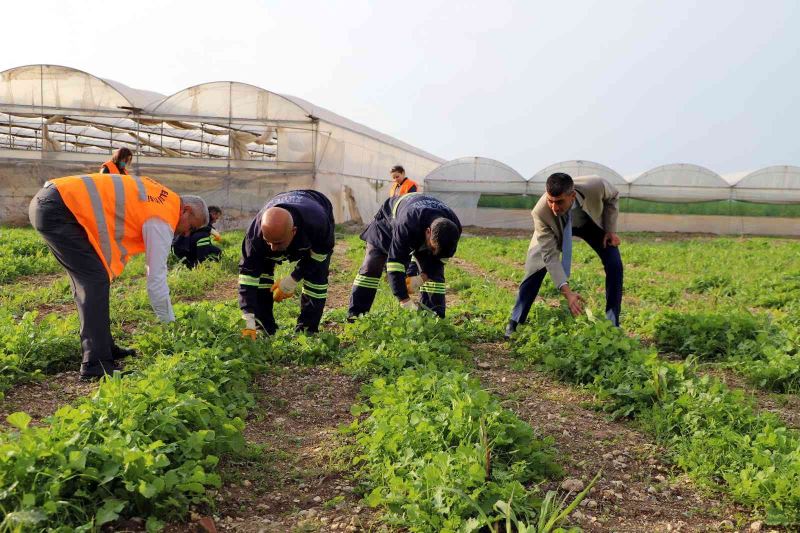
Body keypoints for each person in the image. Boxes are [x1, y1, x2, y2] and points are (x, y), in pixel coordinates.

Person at [28, 173, 209, 379]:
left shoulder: (162, 198)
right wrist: (170, 325)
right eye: (191, 227)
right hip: (59, 208)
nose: (186, 234)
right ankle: (95, 364)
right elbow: (156, 278)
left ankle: (104, 348)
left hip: (54, 201)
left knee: (94, 280)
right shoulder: (162, 215)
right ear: (186, 210)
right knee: (94, 281)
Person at [505, 172, 623, 339]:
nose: (554, 207)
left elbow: (613, 196)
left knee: (614, 264)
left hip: (589, 222)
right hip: (555, 228)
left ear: (572, 195)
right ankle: (515, 322)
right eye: (550, 201)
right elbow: (550, 257)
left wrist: (610, 230)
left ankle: (612, 322)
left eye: (559, 201)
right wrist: (568, 293)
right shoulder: (541, 212)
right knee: (535, 267)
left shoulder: (596, 185)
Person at [348, 193, 461, 319]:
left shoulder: (453, 226)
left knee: (436, 275)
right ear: (428, 232)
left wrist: (423, 277)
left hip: (421, 224)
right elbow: (395, 263)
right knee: (372, 265)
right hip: (387, 224)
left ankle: (434, 318)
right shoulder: (408, 222)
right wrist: (404, 300)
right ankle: (356, 317)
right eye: (433, 247)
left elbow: (438, 260)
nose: (434, 252)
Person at [239, 190, 335, 337]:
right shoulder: (255, 236)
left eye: (277, 243)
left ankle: (307, 331)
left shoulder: (318, 223)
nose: (273, 248)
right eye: (268, 242)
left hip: (317, 205)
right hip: (284, 209)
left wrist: (293, 278)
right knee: (261, 277)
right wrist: (248, 316)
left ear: (293, 231)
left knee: (317, 279)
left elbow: (320, 254)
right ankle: (263, 327)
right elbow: (248, 276)